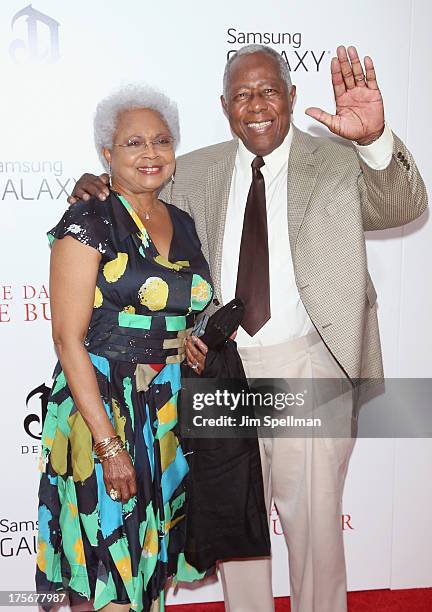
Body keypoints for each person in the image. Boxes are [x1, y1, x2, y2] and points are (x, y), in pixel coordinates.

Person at [69, 45, 428, 612]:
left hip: (310, 363)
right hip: (221, 370)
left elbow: (403, 204)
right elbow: (136, 192)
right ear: (224, 106)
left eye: (268, 91)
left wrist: (374, 138)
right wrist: (96, 182)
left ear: (288, 97)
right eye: (242, 94)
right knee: (237, 527)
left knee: (314, 529)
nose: (256, 105)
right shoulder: (196, 171)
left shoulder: (337, 162)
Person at [36, 85, 215, 612]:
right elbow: (68, 337)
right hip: (105, 404)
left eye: (161, 141)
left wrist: (191, 344)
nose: (151, 153)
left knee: (150, 562)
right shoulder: (89, 220)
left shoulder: (182, 222)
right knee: (110, 561)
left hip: (167, 408)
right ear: (107, 155)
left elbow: (181, 308)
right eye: (133, 142)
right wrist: (109, 445)